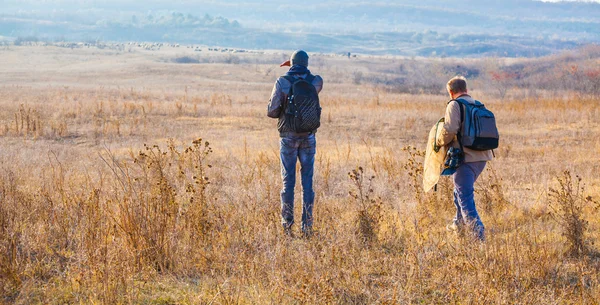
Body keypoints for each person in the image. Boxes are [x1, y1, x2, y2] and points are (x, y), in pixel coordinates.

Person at [267, 50, 324, 237]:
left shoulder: (282, 82)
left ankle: (287, 225)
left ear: (291, 63)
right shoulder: (316, 82)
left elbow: (272, 111)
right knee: (307, 182)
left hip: (288, 137)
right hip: (309, 136)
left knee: (288, 181)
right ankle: (307, 225)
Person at [436, 76, 493, 241]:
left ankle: (478, 236)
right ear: (466, 90)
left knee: (464, 196)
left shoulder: (455, 104)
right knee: (459, 191)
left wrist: (438, 141)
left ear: (451, 92)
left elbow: (451, 129)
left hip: (465, 158)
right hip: (481, 156)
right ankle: (457, 225)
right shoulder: (477, 103)